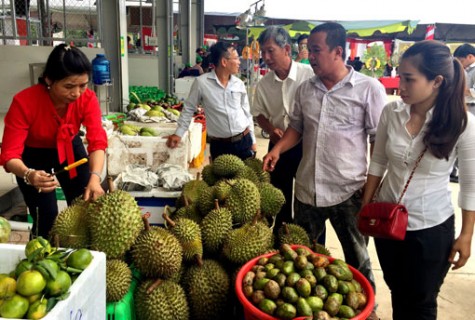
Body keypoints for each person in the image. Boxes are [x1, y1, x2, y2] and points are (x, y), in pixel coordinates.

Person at [262, 22, 387, 320]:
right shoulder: (306, 89)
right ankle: (308, 311)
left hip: (348, 190)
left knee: (357, 260)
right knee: (304, 258)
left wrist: (373, 188)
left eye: (316, 51)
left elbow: (377, 142)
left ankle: (366, 312)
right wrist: (277, 150)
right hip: (307, 190)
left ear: (338, 52)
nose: (311, 57)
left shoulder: (368, 89)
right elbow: (297, 128)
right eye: (309, 50)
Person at [361, 40, 475, 320]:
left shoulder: (463, 123)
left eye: (409, 79)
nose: (401, 86)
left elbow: (471, 184)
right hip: (387, 221)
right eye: (400, 76)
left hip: (430, 228)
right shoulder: (392, 112)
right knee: (397, 290)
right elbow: (378, 161)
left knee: (422, 302)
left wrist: (466, 235)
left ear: (436, 81)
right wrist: (366, 206)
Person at [0, 43, 107, 238]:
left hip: (70, 150)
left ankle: (88, 260)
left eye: (83, 85)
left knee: (86, 206)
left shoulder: (87, 99)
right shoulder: (24, 102)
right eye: (69, 86)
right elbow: (9, 155)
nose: (76, 93)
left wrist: (95, 177)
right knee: (46, 217)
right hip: (33, 156)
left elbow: (97, 141)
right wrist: (29, 174)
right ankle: (43, 255)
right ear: (49, 80)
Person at [252, 26, 314, 231]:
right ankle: (282, 237)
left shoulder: (309, 76)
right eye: (263, 52)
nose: (266, 57)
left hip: (306, 146)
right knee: (280, 196)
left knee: (308, 198)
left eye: (271, 51)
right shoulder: (264, 84)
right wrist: (270, 129)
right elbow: (258, 114)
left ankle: (309, 241)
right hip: (278, 145)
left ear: (286, 49)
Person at [167, 41, 256, 160]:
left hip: (243, 141)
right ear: (224, 62)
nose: (239, 62)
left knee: (246, 178)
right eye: (236, 58)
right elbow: (188, 109)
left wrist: (253, 141)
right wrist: (179, 133)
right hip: (220, 146)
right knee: (220, 179)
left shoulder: (239, 84)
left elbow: (247, 113)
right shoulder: (201, 83)